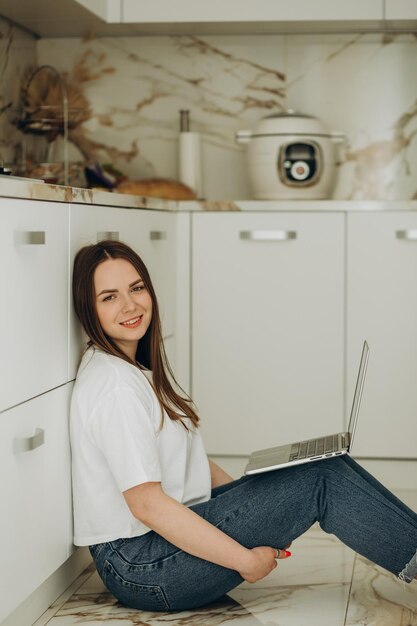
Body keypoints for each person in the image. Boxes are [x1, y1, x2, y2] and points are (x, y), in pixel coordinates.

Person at [70, 239, 417, 613]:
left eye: (136, 288)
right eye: (109, 297)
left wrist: (253, 497)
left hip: (152, 548)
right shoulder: (115, 388)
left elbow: (191, 463)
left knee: (325, 465)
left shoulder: (131, 370)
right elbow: (147, 505)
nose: (131, 305)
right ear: (88, 309)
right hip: (141, 567)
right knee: (322, 479)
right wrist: (244, 560)